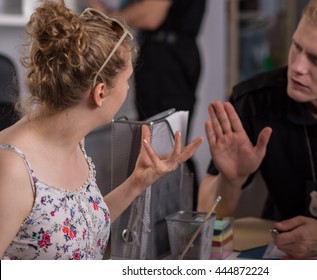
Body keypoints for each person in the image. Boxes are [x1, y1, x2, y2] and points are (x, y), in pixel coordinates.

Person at [0, 0, 203, 260]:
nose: (129, 88)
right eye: (126, 80)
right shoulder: (12, 168)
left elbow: (72, 229)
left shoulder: (74, 141)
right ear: (100, 93)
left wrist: (135, 184)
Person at [197, 0, 317, 259]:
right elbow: (206, 217)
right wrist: (231, 181)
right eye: (296, 46)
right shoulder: (255, 99)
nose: (297, 67)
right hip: (283, 253)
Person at [86, 0, 206, 208]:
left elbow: (151, 16)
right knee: (159, 145)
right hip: (163, 56)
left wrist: (109, 15)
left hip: (169, 62)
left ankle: (182, 219)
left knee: (168, 147)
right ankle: (162, 219)